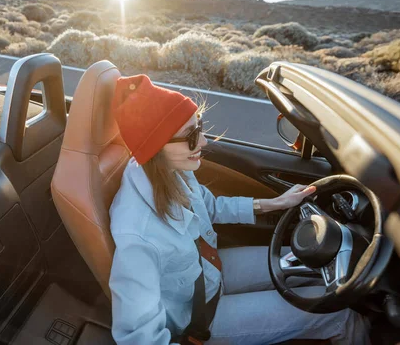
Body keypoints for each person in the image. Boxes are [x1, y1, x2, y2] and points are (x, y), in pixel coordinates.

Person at [108, 74, 369, 345]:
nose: (204, 142)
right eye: (191, 136)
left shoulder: (169, 170)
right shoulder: (137, 236)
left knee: (319, 265)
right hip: (202, 314)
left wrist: (274, 204)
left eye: (200, 127)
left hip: (212, 270)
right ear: (156, 146)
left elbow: (210, 206)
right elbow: (138, 339)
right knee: (339, 315)